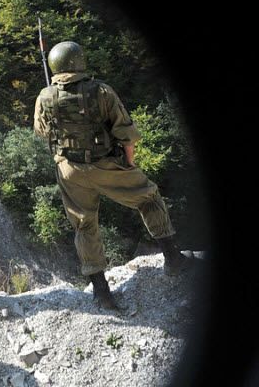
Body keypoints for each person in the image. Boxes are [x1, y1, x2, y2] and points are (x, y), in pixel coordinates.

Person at [34, 41, 195, 311]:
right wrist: (129, 164)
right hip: (105, 164)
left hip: (69, 169)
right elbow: (126, 135)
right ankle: (173, 259)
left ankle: (102, 293)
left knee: (84, 225)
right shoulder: (101, 92)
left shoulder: (44, 96)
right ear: (80, 62)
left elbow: (42, 132)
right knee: (148, 196)